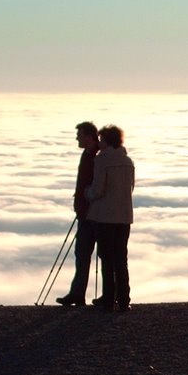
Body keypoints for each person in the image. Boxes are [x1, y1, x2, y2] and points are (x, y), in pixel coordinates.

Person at [85, 125, 135, 312]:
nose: (99, 143)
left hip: (106, 216)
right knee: (121, 258)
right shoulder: (128, 161)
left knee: (107, 258)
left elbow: (98, 190)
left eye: (102, 139)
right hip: (124, 217)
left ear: (107, 141)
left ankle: (108, 298)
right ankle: (123, 299)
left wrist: (86, 193)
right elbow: (130, 188)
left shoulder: (102, 161)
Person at [56, 121, 99, 306]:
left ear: (89, 136)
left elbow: (95, 185)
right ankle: (77, 293)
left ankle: (80, 294)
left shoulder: (96, 155)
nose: (77, 138)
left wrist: (84, 199)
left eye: (80, 135)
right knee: (82, 253)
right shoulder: (89, 154)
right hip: (86, 212)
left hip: (93, 213)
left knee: (87, 253)